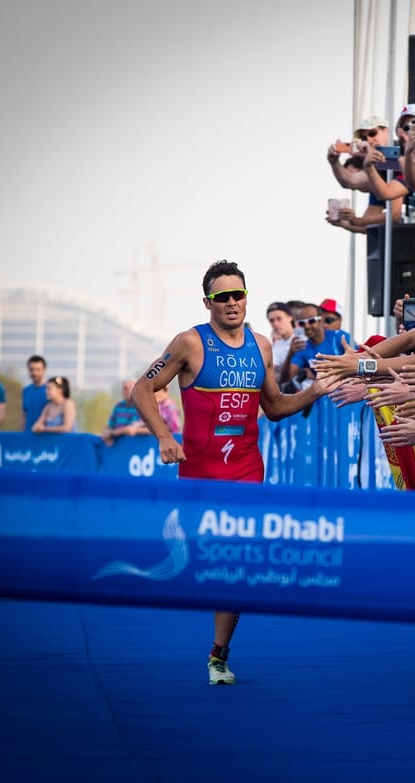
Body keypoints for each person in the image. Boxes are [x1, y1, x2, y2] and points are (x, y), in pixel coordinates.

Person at [130, 260, 334, 686]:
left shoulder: (260, 346)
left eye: (238, 295)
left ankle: (218, 655)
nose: (231, 303)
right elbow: (141, 389)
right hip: (200, 472)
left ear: (247, 297)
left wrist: (314, 390)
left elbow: (274, 408)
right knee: (203, 560)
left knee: (236, 562)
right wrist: (165, 436)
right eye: (222, 297)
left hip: (246, 469)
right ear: (208, 302)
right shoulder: (190, 343)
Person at [265, 301, 302, 382]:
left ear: (290, 317)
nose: (275, 324)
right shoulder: (276, 347)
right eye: (272, 321)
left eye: (279, 318)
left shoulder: (303, 335)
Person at [102, 380, 148, 444]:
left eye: (131, 388)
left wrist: (137, 430)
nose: (128, 391)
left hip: (137, 446)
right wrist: (107, 434)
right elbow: (109, 426)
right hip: (118, 446)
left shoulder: (144, 407)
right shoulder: (119, 406)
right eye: (125, 388)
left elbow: (154, 430)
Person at [22, 355, 48, 432]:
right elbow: (24, 415)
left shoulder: (50, 390)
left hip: (45, 435)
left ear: (44, 370)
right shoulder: (26, 390)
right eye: (31, 370)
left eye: (38, 370)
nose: (34, 373)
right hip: (28, 434)